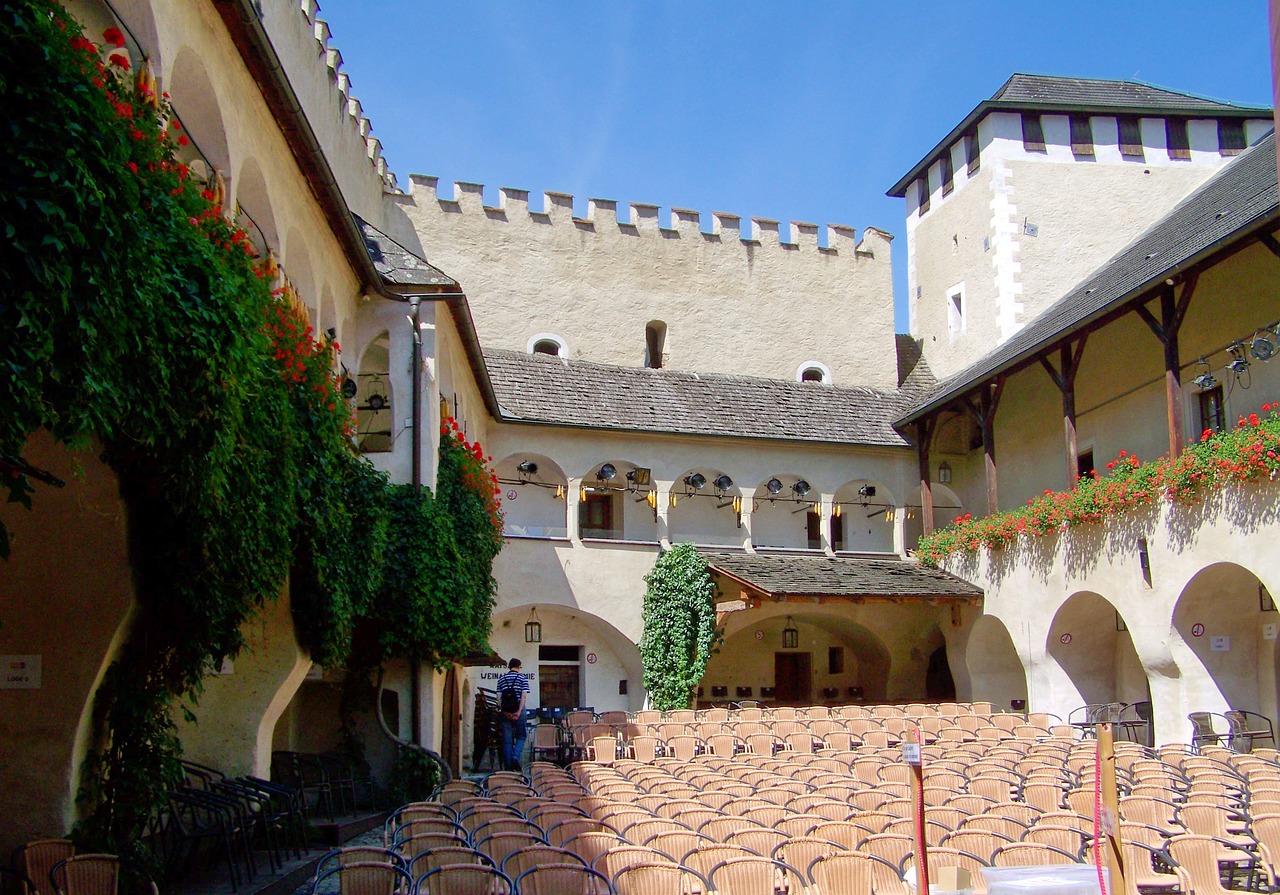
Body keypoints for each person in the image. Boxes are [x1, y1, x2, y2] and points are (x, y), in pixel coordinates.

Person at [495, 658, 529, 771]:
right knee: (521, 735)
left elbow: (498, 697)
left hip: (505, 711)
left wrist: (504, 712)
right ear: (519, 666)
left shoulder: (501, 679)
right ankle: (515, 757)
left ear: (509, 666)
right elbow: (523, 696)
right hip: (519, 710)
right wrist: (518, 711)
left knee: (507, 740)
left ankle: (509, 768)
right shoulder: (522, 678)